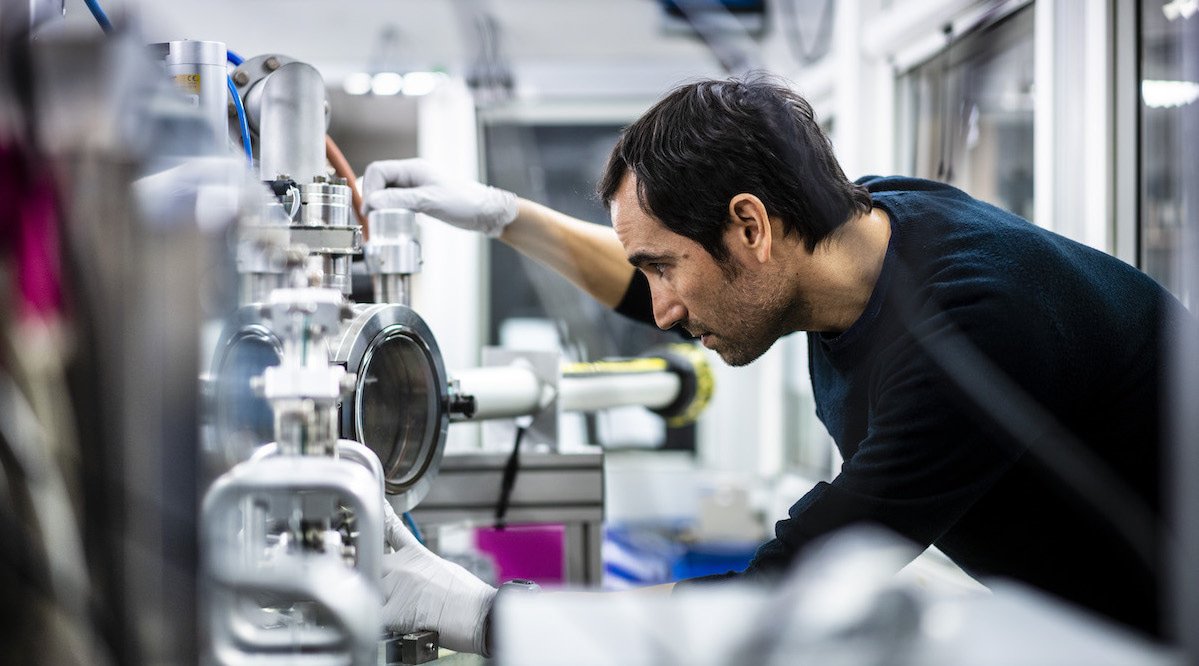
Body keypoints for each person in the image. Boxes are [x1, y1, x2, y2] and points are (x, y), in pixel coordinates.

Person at [364, 75, 1183, 653]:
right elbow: (664, 286)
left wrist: (477, 614)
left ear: (750, 227)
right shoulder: (863, 225)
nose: (662, 313)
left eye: (662, 266)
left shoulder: (968, 333)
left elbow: (772, 599)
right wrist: (504, 217)